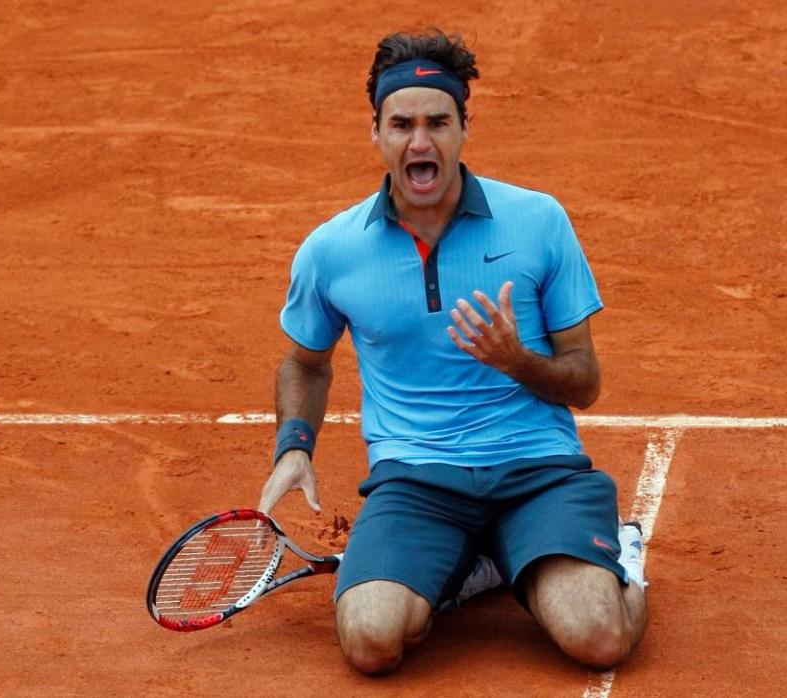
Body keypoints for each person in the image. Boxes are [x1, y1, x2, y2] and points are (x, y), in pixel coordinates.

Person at [257, 28, 646, 674]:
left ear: (463, 128)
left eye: (438, 122)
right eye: (401, 123)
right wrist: (294, 445)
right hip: (415, 482)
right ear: (376, 133)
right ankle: (478, 560)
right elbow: (305, 361)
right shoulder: (332, 251)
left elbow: (585, 381)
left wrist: (517, 361)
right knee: (369, 641)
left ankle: (620, 554)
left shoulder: (538, 222)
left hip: (537, 472)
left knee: (598, 638)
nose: (420, 141)